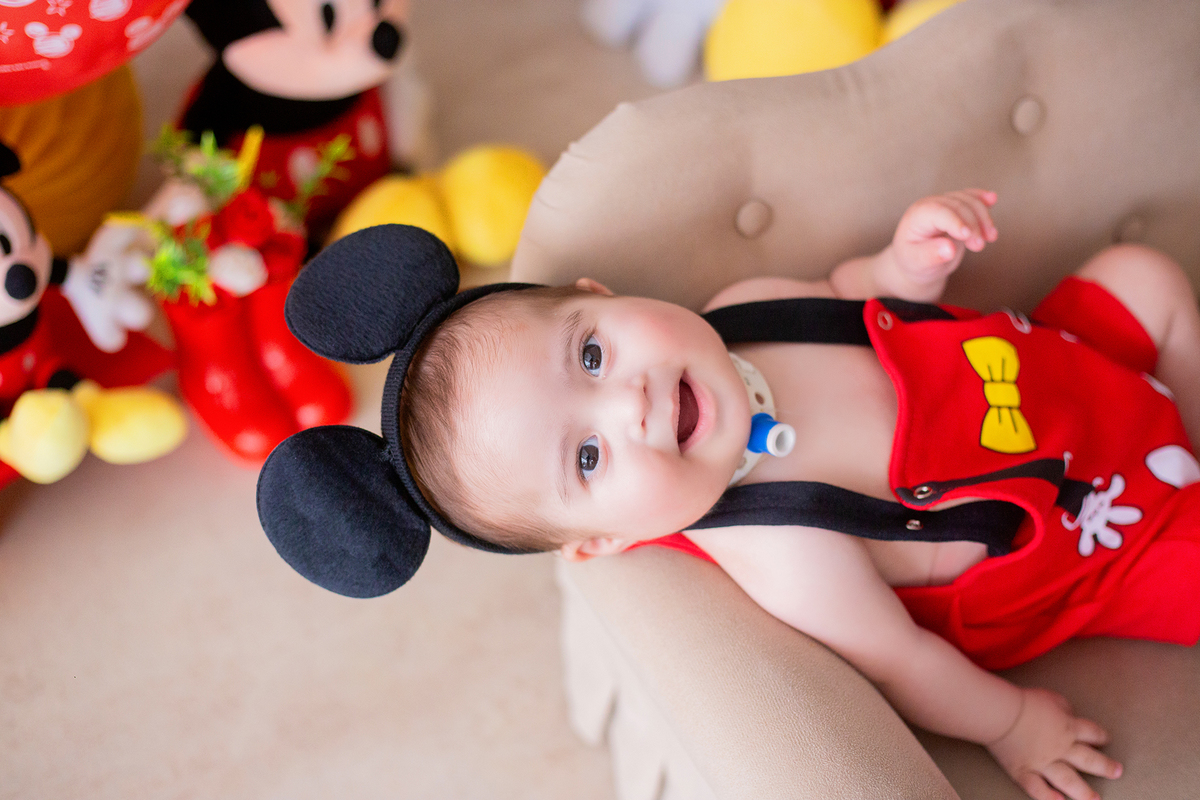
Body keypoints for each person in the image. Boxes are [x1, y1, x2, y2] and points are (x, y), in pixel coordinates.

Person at [258, 191, 1200, 800]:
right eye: (586, 459)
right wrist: (1014, 723)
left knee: (1144, 280)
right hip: (1094, 532)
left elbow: (851, 292)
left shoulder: (746, 305)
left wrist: (914, 264)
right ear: (603, 543)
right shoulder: (784, 550)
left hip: (1059, 372)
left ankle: (1182, 420)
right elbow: (905, 662)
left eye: (590, 353)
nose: (624, 402)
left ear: (599, 291)